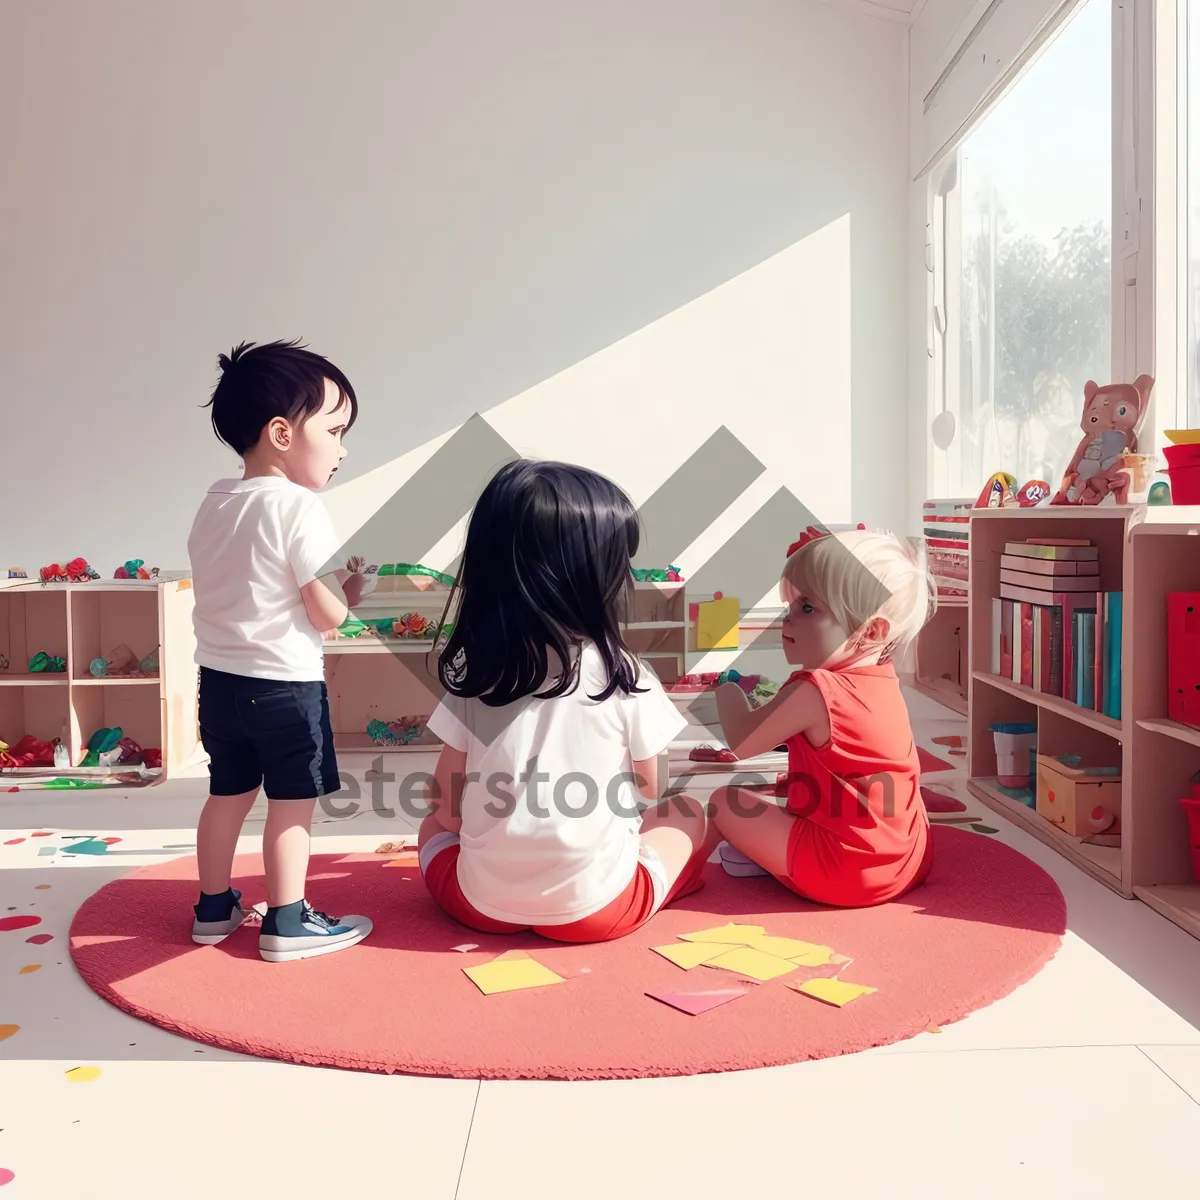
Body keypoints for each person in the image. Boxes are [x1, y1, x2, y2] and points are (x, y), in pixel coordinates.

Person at [417, 459, 718, 942]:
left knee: (431, 827)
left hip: (482, 907)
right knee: (687, 813)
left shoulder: (476, 675)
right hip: (596, 910)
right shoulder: (626, 674)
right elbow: (651, 787)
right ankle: (666, 884)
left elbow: (447, 810)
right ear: (598, 581)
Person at [187, 339, 372, 961]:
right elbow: (325, 617)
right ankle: (288, 922)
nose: (343, 449)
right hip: (285, 689)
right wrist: (350, 592)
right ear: (282, 434)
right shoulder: (299, 508)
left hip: (219, 686)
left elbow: (247, 590)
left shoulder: (213, 505)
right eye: (335, 429)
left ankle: (213, 909)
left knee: (226, 797)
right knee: (291, 808)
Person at [710, 525, 934, 907]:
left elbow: (742, 742)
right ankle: (780, 853)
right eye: (791, 606)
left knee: (723, 802)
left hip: (846, 871)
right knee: (787, 787)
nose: (788, 619)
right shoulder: (883, 681)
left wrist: (727, 693)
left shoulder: (814, 689)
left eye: (808, 608)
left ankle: (771, 863)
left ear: (871, 631)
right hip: (907, 860)